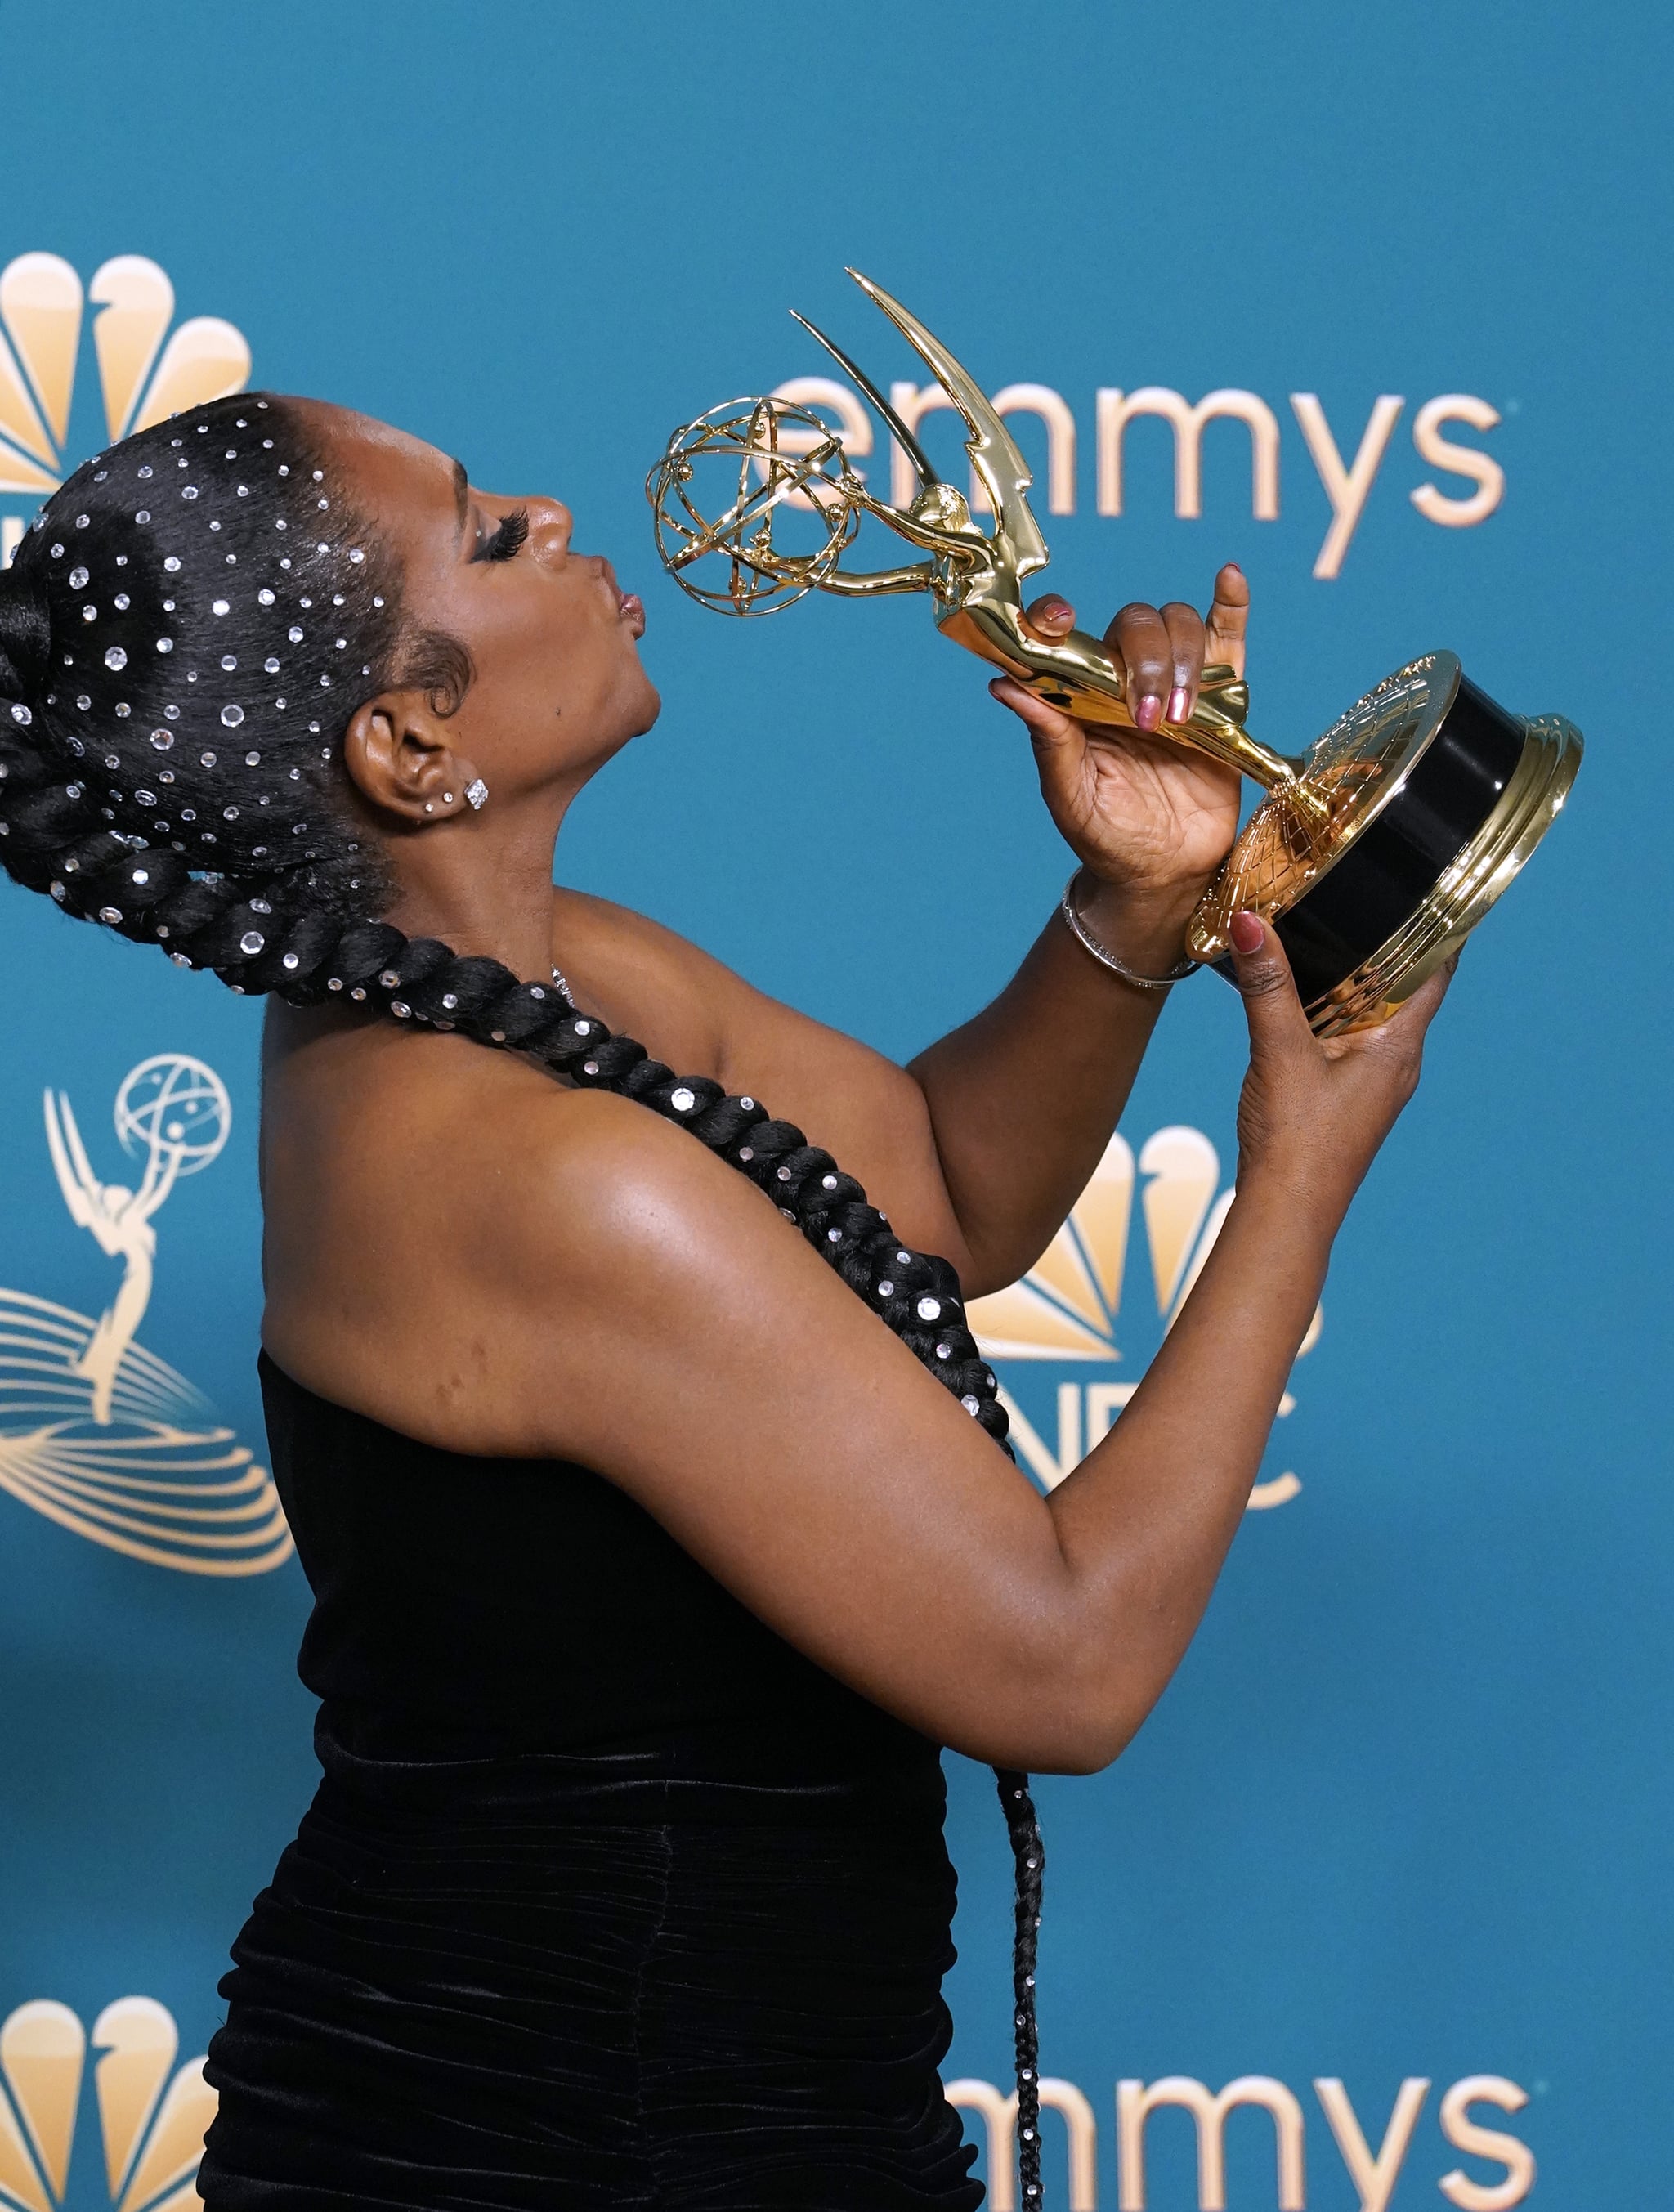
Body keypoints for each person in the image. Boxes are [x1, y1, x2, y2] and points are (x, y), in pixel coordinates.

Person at [0, 394, 1449, 2210]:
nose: (550, 503)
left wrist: (1125, 903)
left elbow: (936, 1187)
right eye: (489, 533)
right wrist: (1296, 1176)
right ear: (409, 734)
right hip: (580, 2151)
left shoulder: (531, 979)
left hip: (715, 2109)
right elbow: (1062, 1665)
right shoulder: (537, 1180)